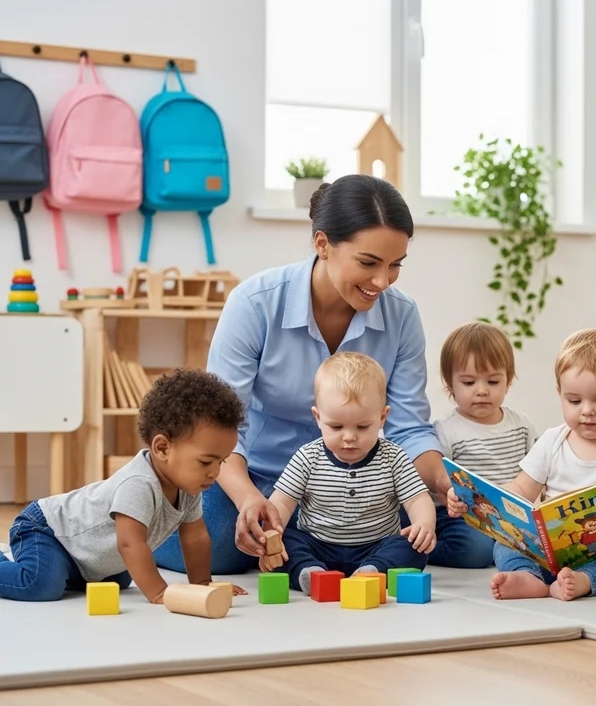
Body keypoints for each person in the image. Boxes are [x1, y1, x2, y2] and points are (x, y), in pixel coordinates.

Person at [153, 175, 452, 575]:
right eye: (368, 263)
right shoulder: (254, 304)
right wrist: (247, 500)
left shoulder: (402, 315)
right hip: (255, 477)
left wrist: (444, 481)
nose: (382, 281)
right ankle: (132, 517)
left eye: (395, 265)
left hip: (354, 485)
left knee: (464, 544)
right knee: (222, 547)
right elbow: (219, 429)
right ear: (323, 244)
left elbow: (409, 427)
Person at [449, 328, 596, 601]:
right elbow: (521, 488)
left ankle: (586, 581)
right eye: (574, 400)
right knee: (505, 542)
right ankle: (528, 577)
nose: (587, 410)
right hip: (550, 554)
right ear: (560, 394)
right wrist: (477, 498)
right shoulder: (552, 441)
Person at [0, 370, 247, 603]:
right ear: (162, 448)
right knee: (40, 584)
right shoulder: (139, 484)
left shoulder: (189, 485)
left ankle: (58, 568)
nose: (214, 472)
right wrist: (159, 592)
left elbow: (195, 535)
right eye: (206, 461)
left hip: (86, 557)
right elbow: (130, 543)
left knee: (120, 578)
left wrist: (202, 583)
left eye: (221, 461)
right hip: (48, 530)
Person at [259, 352, 436, 593]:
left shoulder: (394, 457)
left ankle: (372, 572)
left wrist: (424, 524)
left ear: (382, 418)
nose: (349, 437)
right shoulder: (307, 457)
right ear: (318, 418)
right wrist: (272, 532)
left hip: (375, 546)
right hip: (317, 545)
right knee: (287, 541)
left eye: (363, 427)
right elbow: (281, 501)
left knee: (413, 547)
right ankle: (309, 572)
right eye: (336, 426)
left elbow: (417, 498)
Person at [427, 321, 539, 568]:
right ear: (450, 384)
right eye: (468, 383)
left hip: (510, 515)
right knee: (475, 550)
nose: (482, 391)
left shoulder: (521, 424)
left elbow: (538, 473)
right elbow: (439, 485)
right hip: (464, 516)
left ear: (508, 381)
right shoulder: (446, 429)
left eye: (493, 382)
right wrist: (451, 497)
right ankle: (420, 547)